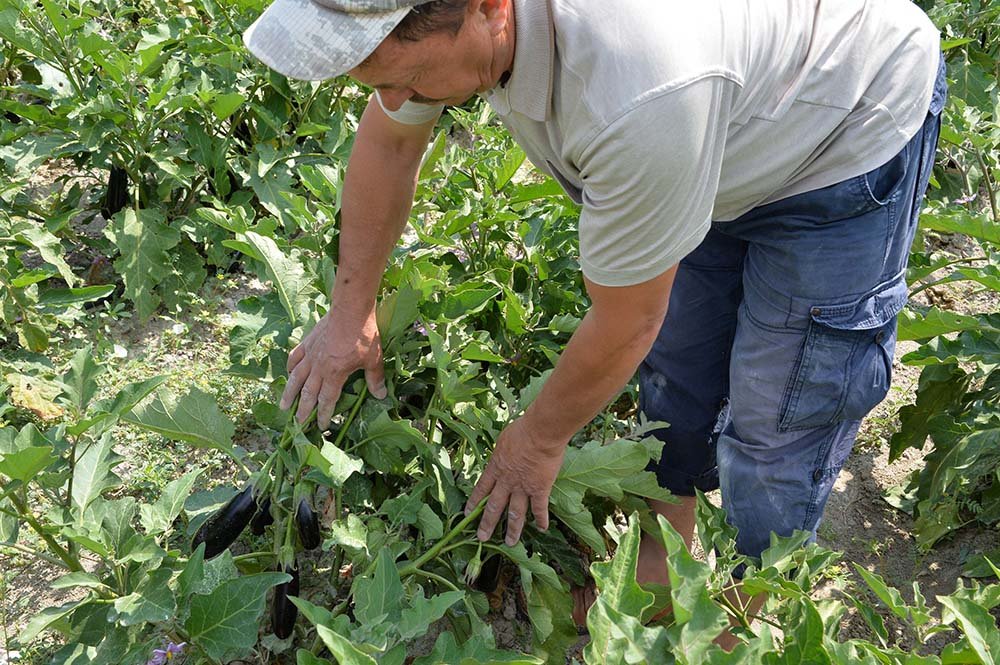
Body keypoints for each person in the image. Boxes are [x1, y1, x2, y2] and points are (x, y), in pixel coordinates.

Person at [244, 0, 946, 645]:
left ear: (488, 10)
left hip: (844, 126)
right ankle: (661, 561)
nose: (396, 101)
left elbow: (628, 319)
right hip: (719, 121)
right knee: (679, 365)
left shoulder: (637, 90)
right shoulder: (449, 35)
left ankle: (737, 616)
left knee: (781, 412)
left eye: (412, 81)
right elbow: (390, 143)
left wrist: (536, 439)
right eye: (381, 82)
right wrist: (349, 310)